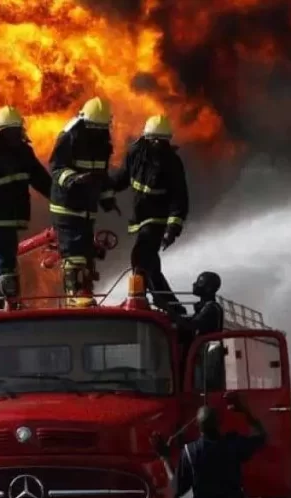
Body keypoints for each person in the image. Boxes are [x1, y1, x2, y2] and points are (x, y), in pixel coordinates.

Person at [0, 105, 53, 309]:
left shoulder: (24, 153)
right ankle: (11, 298)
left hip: (15, 216)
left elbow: (40, 179)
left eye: (17, 130)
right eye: (11, 131)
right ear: (0, 133)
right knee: (5, 257)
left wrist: (58, 197)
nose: (15, 135)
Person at [111, 114, 189, 315]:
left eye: (163, 141)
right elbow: (121, 179)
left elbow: (180, 197)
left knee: (141, 255)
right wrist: (102, 187)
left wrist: (172, 229)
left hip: (158, 218)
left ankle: (151, 298)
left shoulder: (172, 162)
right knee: (147, 260)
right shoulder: (135, 154)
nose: (158, 144)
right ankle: (163, 302)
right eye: (155, 139)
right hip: (140, 216)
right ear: (146, 137)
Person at [48, 97, 120, 307]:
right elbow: (57, 168)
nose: (98, 132)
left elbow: (101, 174)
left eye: (102, 127)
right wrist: (73, 179)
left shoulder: (103, 142)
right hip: (67, 205)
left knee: (87, 253)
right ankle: (74, 293)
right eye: (94, 127)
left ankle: (85, 292)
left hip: (87, 207)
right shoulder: (70, 137)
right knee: (73, 251)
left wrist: (107, 199)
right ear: (85, 123)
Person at [172, 396, 267, 498]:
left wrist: (164, 458)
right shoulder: (233, 446)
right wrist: (245, 411)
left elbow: (178, 489)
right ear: (220, 423)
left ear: (197, 426)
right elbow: (261, 436)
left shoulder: (189, 452)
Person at [172, 272, 225, 337]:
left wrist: (172, 313)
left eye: (200, 282)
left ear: (209, 288)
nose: (194, 284)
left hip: (204, 346)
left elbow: (191, 326)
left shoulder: (211, 308)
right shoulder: (206, 307)